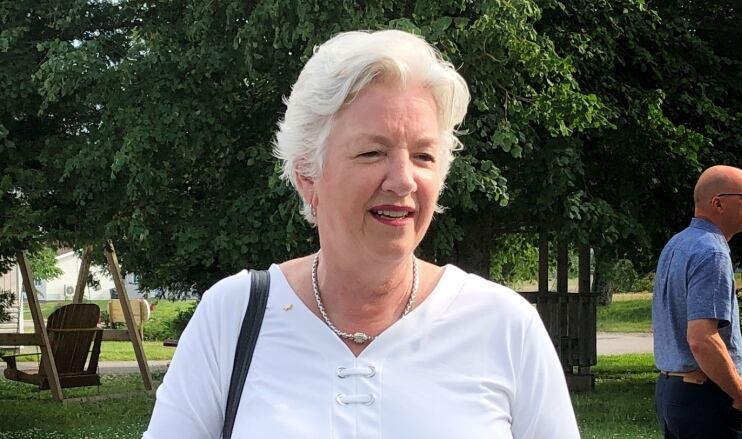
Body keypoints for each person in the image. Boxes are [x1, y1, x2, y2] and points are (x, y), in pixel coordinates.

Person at [144, 30, 579, 438]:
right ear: (307, 176)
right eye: (373, 152)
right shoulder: (233, 315)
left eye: (424, 156)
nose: (404, 180)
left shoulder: (503, 324)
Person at [652, 165, 742, 438]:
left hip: (672, 390)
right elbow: (702, 338)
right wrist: (740, 394)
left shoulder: (677, 244)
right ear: (718, 204)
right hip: (705, 396)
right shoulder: (712, 252)